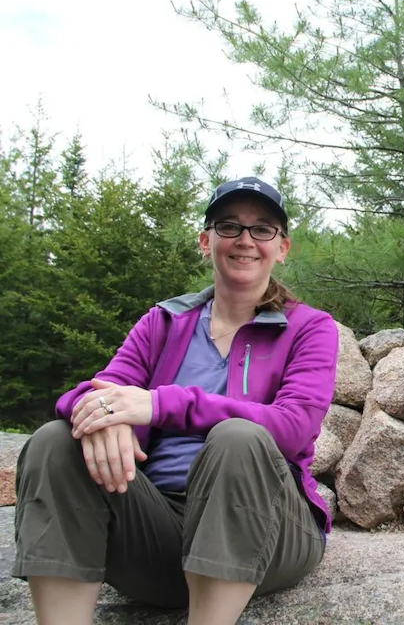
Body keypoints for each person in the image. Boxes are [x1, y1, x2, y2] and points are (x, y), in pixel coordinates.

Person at [12, 176, 340, 625]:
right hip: (159, 529)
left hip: (270, 531)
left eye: (262, 229)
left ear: (282, 248)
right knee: (55, 441)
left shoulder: (309, 327)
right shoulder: (164, 322)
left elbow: (294, 426)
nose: (245, 240)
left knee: (238, 437)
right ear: (206, 242)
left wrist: (160, 404)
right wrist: (105, 420)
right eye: (229, 227)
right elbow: (91, 393)